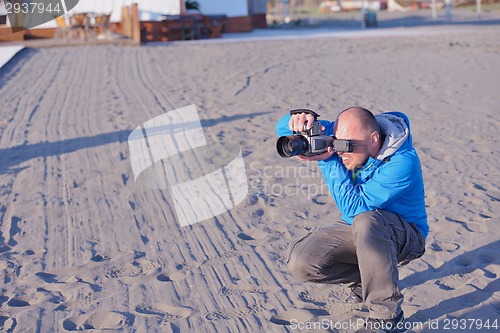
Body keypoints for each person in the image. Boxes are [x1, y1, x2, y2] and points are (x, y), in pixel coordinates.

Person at [275, 107, 428, 333]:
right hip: (361, 226)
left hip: (407, 235)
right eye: (336, 142)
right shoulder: (343, 134)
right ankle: (365, 279)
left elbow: (354, 207)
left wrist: (328, 161)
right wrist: (298, 123)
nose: (340, 150)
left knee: (366, 220)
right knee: (302, 261)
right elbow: (281, 127)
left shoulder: (403, 162)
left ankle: (387, 317)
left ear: (373, 139)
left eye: (346, 146)